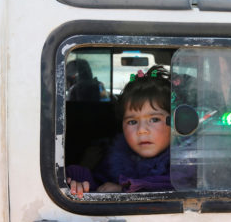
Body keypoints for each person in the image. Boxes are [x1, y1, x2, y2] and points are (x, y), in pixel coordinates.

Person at [66, 65, 173, 198]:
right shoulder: (115, 161)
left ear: (175, 122)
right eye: (132, 122)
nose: (142, 131)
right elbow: (97, 182)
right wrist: (79, 182)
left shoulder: (186, 162)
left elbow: (172, 183)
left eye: (155, 119)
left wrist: (125, 189)